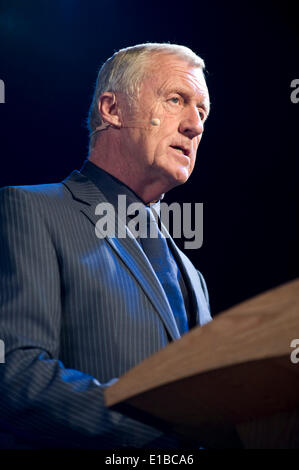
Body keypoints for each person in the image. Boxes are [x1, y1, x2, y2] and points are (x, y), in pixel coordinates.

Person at [0, 43, 211, 448]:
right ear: (112, 109)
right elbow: (14, 373)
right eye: (175, 100)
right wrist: (163, 428)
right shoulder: (30, 210)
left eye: (201, 112)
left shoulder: (191, 275)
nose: (194, 125)